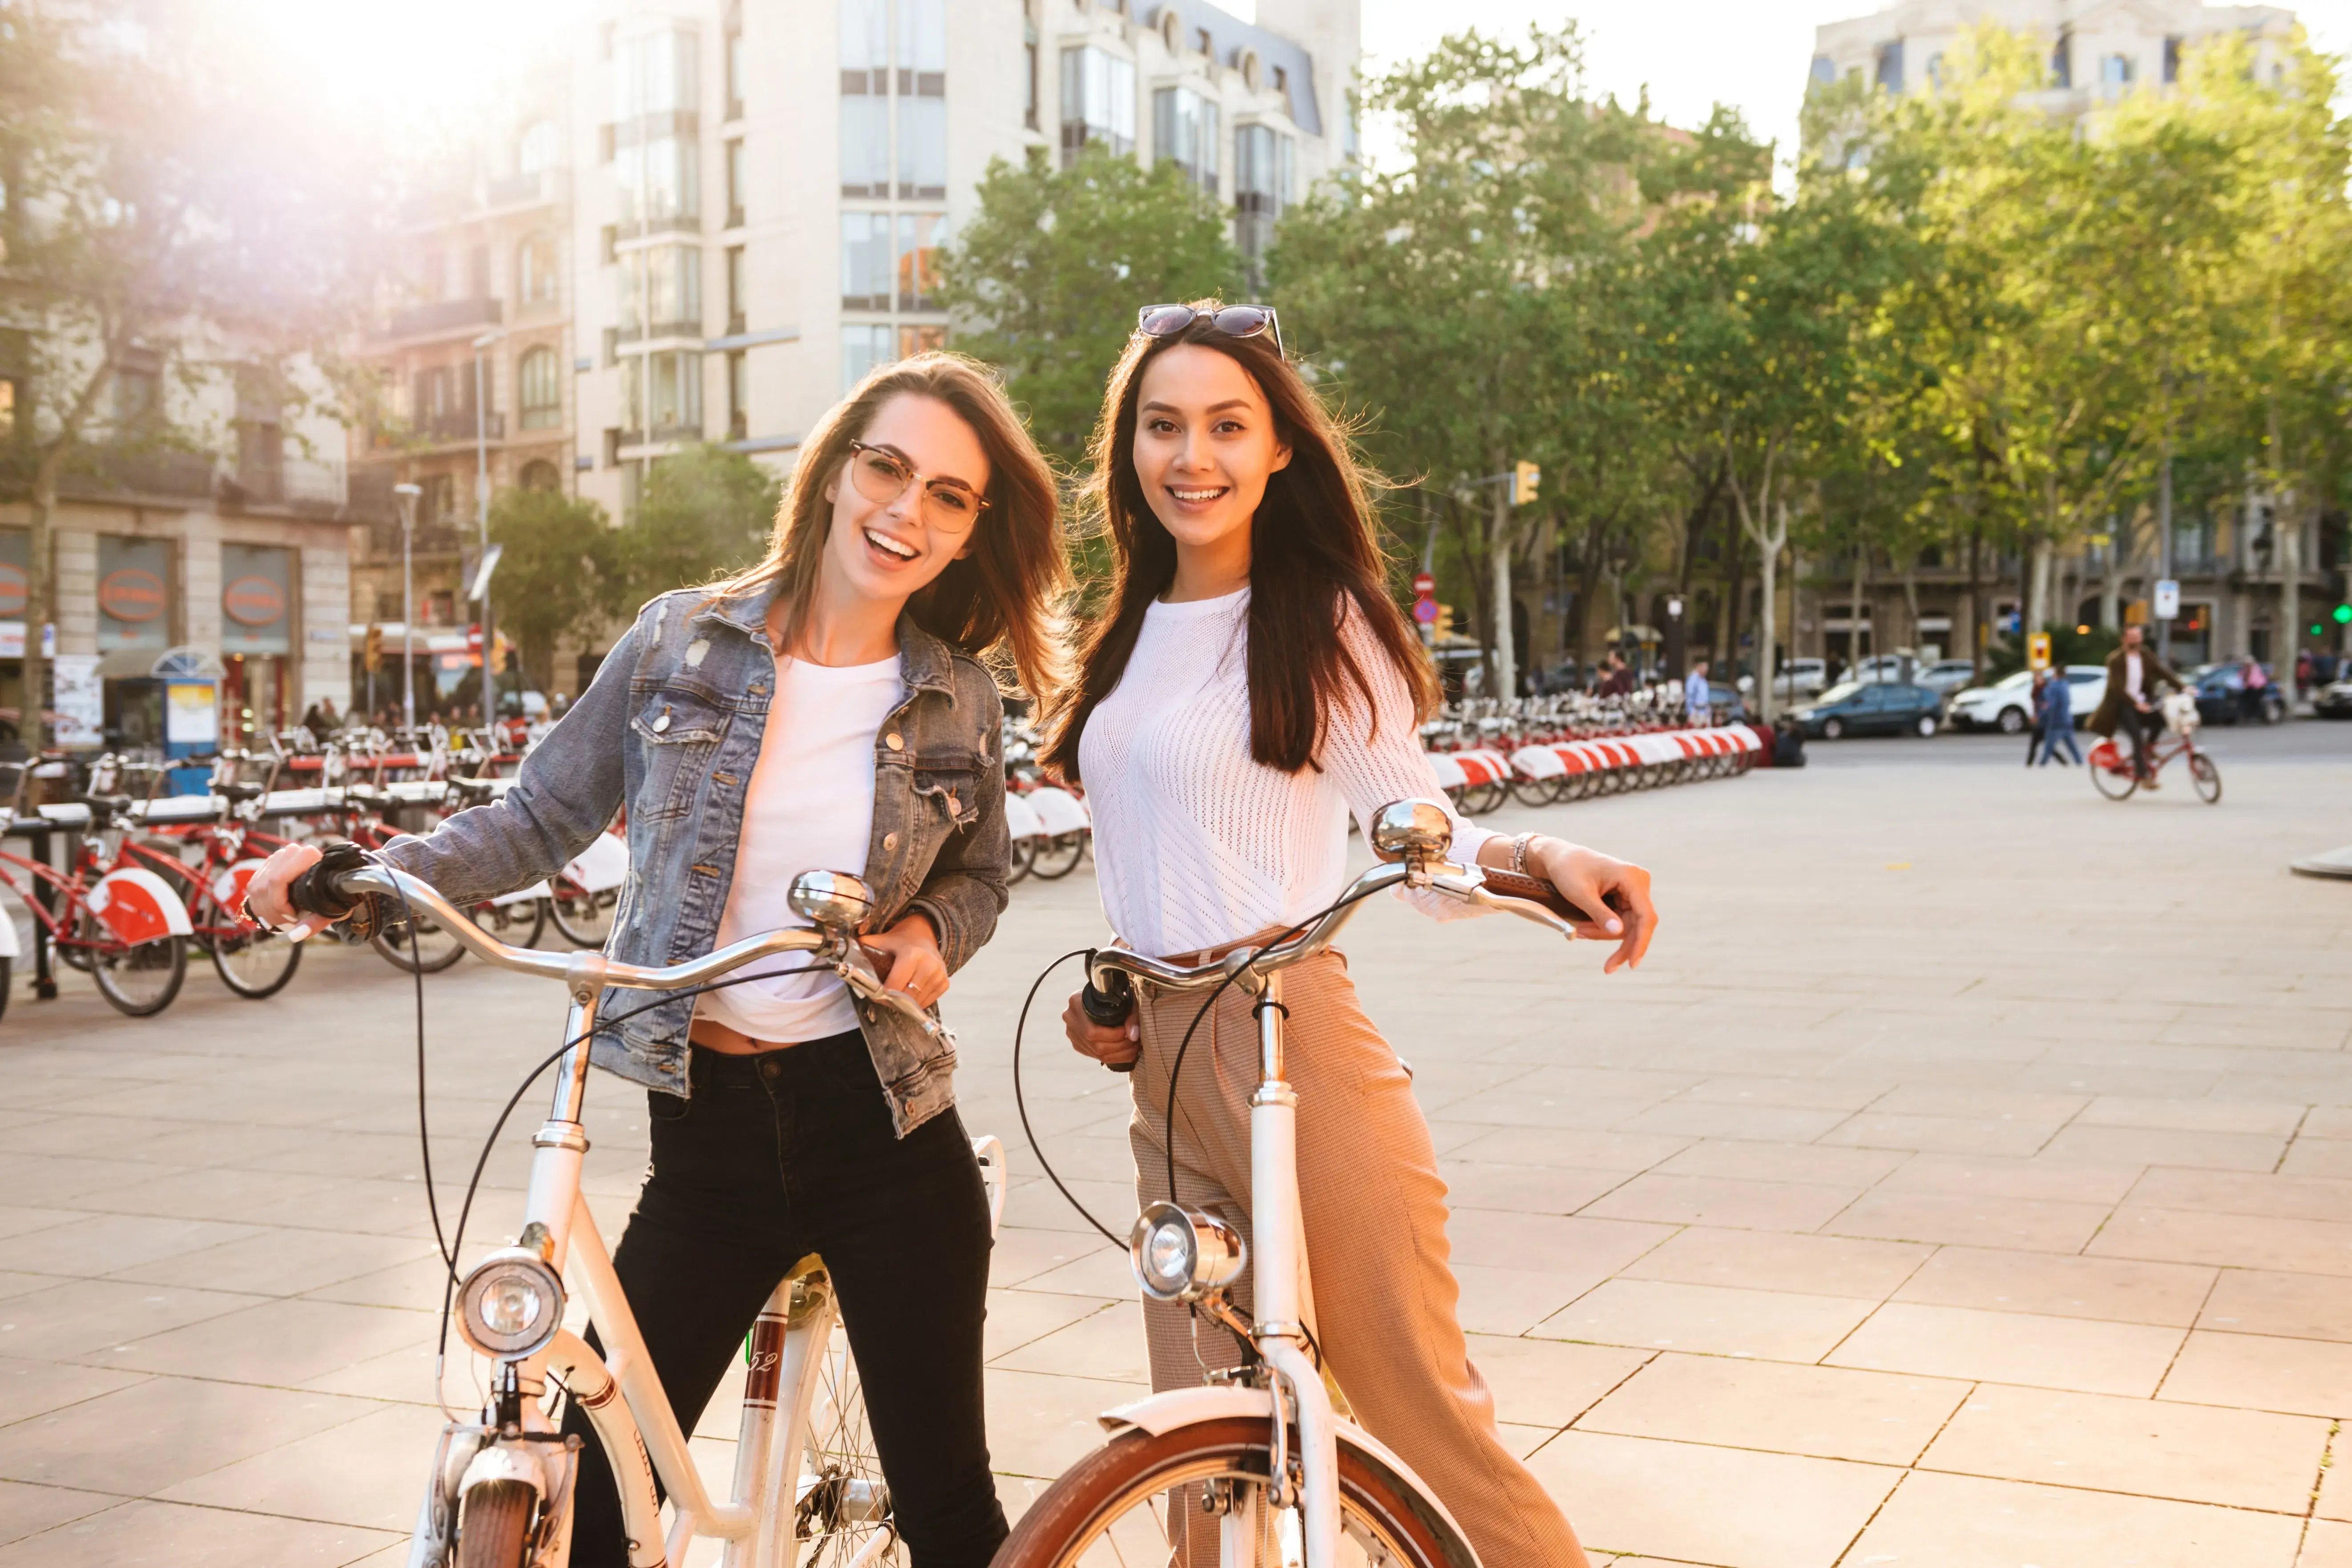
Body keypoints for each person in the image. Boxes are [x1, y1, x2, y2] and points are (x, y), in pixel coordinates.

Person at [242, 354, 1068, 1568]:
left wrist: (929, 935)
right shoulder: (680, 640)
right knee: (597, 1500)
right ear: (837, 470)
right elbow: (535, 820)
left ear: (969, 531)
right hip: (709, 1140)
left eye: (948, 495)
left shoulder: (955, 694)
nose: (907, 510)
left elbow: (980, 874)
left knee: (945, 1505)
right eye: (887, 468)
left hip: (884, 1127)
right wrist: (371, 867)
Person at [1047, 300, 1659, 1568]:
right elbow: (1148, 847)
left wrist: (1540, 857)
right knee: (1201, 1453)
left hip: (1292, 1045)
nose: (1190, 456)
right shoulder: (1122, 636)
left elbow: (1406, 824)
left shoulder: (1320, 617)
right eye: (1161, 427)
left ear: (1278, 450)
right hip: (1162, 1069)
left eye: (1226, 426)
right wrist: (1118, 993)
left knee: (1416, 1420)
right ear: (1128, 451)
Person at [2088, 624, 2181, 788]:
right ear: (2124, 639)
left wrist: (2182, 687)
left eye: (2138, 638)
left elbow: (2161, 672)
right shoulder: (2115, 660)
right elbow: (2117, 688)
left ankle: (2149, 748)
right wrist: (2136, 704)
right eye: (2132, 638)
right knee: (2137, 737)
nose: (2135, 641)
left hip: (2142, 702)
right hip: (2122, 705)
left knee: (2161, 720)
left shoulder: (2144, 655)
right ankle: (2143, 777)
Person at [2034, 666, 2080, 765]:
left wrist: (2040, 716)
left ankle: (2041, 766)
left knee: (2049, 747)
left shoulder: (2054, 687)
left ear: (2056, 674)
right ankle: (2081, 763)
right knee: (2072, 747)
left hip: (2056, 721)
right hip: (2067, 720)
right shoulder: (2066, 685)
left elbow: (2051, 705)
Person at [1684, 657, 1711, 725]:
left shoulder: (1704, 680)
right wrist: (1691, 712)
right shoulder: (1693, 679)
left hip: (1704, 711)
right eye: (1705, 668)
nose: (1706, 670)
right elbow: (1690, 696)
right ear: (1699, 667)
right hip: (1696, 711)